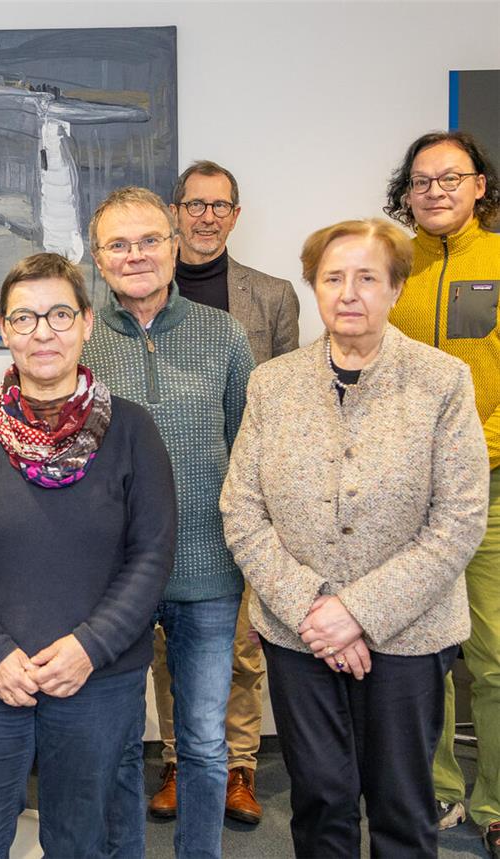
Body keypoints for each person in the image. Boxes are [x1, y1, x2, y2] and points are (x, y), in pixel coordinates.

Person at [220, 217, 489, 858]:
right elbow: (242, 511)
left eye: (367, 278)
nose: (348, 293)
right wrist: (317, 609)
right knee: (320, 800)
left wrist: (357, 613)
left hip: (409, 635)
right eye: (333, 277)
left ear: (396, 288)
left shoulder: (442, 381)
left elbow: (458, 520)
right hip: (299, 634)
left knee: (401, 805)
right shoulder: (273, 383)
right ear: (313, 287)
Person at [0, 252, 177, 858]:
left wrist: (89, 647)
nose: (44, 332)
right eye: (26, 318)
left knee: (83, 842)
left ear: (88, 323)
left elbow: (151, 554)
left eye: (60, 314)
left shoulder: (134, 429)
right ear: (5, 329)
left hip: (97, 677)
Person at [83, 186, 254, 859]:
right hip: (113, 579)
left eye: (149, 240)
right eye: (118, 244)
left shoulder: (225, 335)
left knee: (206, 743)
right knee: (120, 741)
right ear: (98, 258)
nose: (136, 255)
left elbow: (249, 453)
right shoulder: (79, 337)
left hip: (209, 573)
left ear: (175, 244)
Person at [147, 159, 301, 825]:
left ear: (235, 215)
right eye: (195, 204)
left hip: (245, 498)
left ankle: (238, 765)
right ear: (175, 212)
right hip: (162, 498)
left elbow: (294, 401)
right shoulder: (141, 288)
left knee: (241, 642)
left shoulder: (271, 296)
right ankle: (180, 760)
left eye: (220, 205)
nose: (207, 216)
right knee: (164, 641)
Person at [384, 130, 500, 857]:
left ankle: (493, 800)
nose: (435, 190)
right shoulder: (392, 268)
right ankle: (437, 789)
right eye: (421, 180)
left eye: (450, 177)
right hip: (407, 500)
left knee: (492, 657)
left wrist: (469, 457)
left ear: (480, 185)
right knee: (419, 653)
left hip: (490, 490)